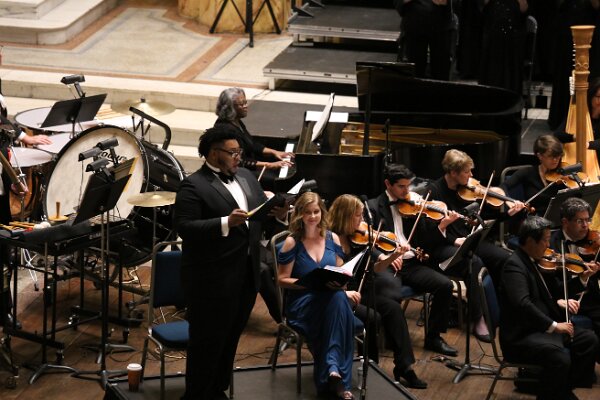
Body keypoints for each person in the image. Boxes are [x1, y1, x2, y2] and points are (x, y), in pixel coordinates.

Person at [174, 124, 286, 400]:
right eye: (233, 152)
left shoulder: (246, 176)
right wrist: (225, 222)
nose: (239, 157)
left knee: (230, 339)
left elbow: (257, 217)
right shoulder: (193, 185)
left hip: (246, 276)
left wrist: (278, 213)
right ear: (214, 153)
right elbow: (185, 227)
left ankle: (218, 390)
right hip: (210, 281)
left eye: (240, 152)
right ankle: (196, 395)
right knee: (206, 343)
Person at [327, 194, 427, 389]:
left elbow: (377, 268)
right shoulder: (330, 240)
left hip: (361, 292)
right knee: (372, 317)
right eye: (358, 216)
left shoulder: (359, 239)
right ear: (345, 216)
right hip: (339, 295)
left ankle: (404, 367)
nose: (362, 221)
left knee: (393, 309)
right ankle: (370, 366)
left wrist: (393, 256)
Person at [499, 215, 599, 400]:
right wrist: (554, 326)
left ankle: (561, 389)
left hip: (539, 329)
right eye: (545, 240)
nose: (548, 245)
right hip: (521, 336)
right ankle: (553, 393)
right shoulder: (514, 266)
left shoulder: (535, 260)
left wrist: (583, 278)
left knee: (588, 340)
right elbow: (523, 304)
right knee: (559, 358)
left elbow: (557, 290)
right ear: (531, 241)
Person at [368, 163, 461, 355]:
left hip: (411, 263)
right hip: (388, 264)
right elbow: (367, 241)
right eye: (401, 186)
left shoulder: (414, 204)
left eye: (408, 186)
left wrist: (442, 225)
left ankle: (433, 338)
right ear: (388, 184)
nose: (406, 191)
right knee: (392, 294)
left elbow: (426, 238)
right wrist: (385, 256)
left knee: (445, 285)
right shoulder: (373, 207)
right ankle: (394, 339)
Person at [277, 191, 362, 400]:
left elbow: (342, 274)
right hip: (303, 303)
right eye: (308, 212)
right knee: (340, 308)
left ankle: (332, 373)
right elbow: (281, 279)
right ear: (300, 214)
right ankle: (338, 377)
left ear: (322, 213)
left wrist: (344, 288)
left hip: (330, 300)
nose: (313, 216)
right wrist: (308, 283)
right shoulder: (292, 242)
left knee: (338, 299)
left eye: (316, 212)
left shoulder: (333, 238)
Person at [548, 197, 600, 355]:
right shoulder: (551, 246)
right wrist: (582, 278)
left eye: (587, 220)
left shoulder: (594, 241)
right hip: (564, 300)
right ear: (565, 222)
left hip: (590, 296)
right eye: (579, 221)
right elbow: (554, 287)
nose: (586, 226)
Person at [213, 87, 293, 173]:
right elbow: (239, 161)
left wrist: (274, 152)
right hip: (239, 172)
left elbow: (251, 144)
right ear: (230, 108)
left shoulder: (235, 120)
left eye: (245, 102)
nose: (246, 106)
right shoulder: (224, 130)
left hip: (249, 165)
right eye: (241, 104)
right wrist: (269, 165)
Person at [501, 134, 565, 217]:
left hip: (560, 218)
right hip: (535, 220)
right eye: (550, 156)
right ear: (540, 156)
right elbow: (503, 186)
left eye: (558, 155)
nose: (555, 160)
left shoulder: (564, 174)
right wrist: (509, 201)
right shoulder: (528, 172)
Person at [394, 0, 457, 80]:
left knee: (440, 72)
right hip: (413, 24)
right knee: (414, 72)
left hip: (442, 25)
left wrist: (448, 3)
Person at [479, 0, 529, 95]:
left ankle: (510, 95)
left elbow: (524, 8)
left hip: (513, 37)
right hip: (493, 35)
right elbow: (483, 6)